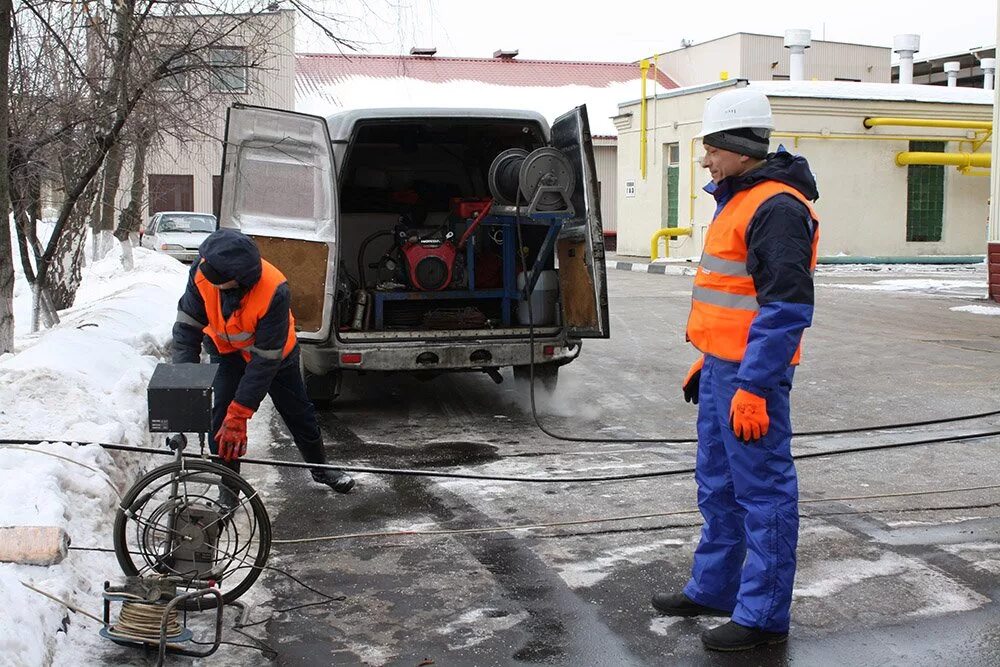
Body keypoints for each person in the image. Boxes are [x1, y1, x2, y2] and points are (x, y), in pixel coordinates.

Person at [651, 86, 819, 651]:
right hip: (726, 369)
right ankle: (715, 588)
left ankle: (763, 615)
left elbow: (786, 308)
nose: (705, 159)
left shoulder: (776, 208)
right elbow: (735, 299)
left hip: (754, 379)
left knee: (763, 494)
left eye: (711, 148)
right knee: (718, 487)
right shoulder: (740, 199)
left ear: (738, 148)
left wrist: (754, 384)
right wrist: (711, 359)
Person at [172, 228, 355, 494]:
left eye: (217, 279)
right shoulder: (203, 272)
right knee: (221, 417)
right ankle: (229, 488)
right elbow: (187, 328)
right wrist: (184, 381)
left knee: (299, 414)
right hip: (227, 353)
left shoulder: (273, 289)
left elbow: (264, 363)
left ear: (237, 279)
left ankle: (321, 467)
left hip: (276, 357)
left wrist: (241, 415)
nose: (208, 277)